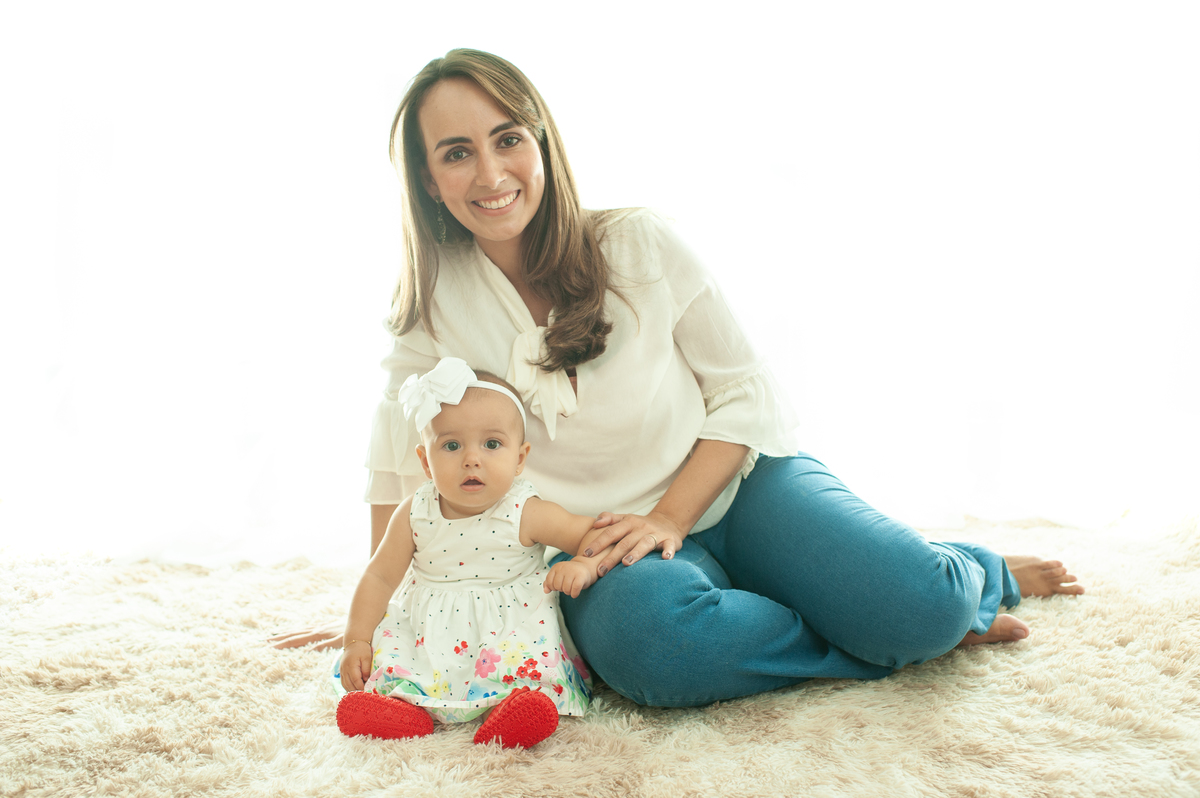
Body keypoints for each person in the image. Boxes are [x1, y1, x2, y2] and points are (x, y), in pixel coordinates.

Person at [273, 48, 1084, 709]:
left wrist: (670, 515)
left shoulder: (639, 246)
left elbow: (743, 391)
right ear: (427, 180)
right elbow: (398, 458)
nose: (490, 172)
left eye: (508, 138)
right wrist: (379, 612)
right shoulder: (429, 306)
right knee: (654, 654)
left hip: (736, 488)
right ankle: (868, 639)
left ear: (543, 142)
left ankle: (972, 576)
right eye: (457, 153)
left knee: (927, 605)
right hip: (603, 547)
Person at [335, 358, 606, 748]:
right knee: (397, 658)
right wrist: (356, 641)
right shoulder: (415, 511)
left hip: (507, 625)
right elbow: (379, 576)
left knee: (522, 665)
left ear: (520, 458)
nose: (471, 459)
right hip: (429, 627)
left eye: (492, 444)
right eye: (451, 445)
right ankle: (404, 711)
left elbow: (592, 534)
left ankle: (513, 712)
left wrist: (584, 563)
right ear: (426, 462)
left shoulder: (525, 510)